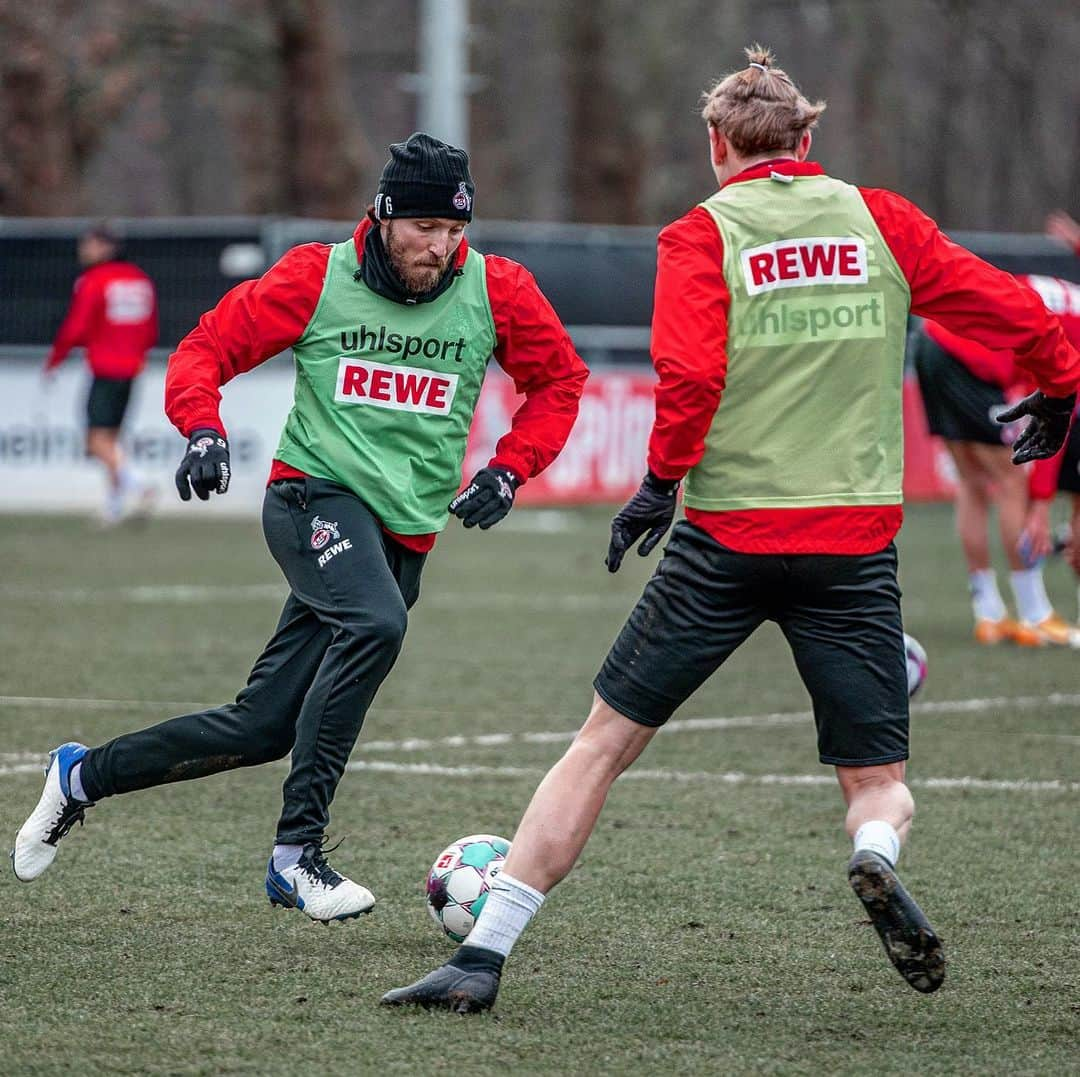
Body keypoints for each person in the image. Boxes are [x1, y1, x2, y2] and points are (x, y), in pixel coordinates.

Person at [383, 47, 1080, 1012]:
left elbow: (693, 379)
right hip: (850, 546)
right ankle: (874, 856)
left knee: (599, 746)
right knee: (878, 781)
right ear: (810, 138)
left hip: (727, 543)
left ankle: (481, 956)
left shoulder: (699, 235)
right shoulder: (885, 221)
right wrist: (1061, 379)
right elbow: (1011, 305)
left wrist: (658, 486)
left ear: (716, 144)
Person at [12, 133, 589, 923]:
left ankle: (80, 776)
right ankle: (296, 857)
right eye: (424, 227)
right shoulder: (320, 276)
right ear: (383, 215)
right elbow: (207, 348)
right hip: (311, 499)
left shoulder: (498, 290)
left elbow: (560, 380)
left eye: (455, 232)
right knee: (377, 624)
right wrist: (203, 429)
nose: (440, 246)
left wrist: (511, 466)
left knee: (260, 727)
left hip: (405, 530)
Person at [911, 318, 1076, 645]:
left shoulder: (1068, 303)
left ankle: (989, 614)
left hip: (932, 342)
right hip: (967, 355)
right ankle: (1035, 615)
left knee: (971, 480)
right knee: (1011, 479)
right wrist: (1041, 504)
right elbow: (1058, 420)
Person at [43, 224, 158, 524]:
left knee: (95, 441)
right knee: (113, 440)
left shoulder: (94, 280)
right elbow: (150, 328)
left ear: (106, 247)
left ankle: (139, 484)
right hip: (132, 367)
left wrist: (55, 359)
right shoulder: (140, 279)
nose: (84, 250)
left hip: (106, 366)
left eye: (90, 244)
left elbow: (76, 326)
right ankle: (114, 506)